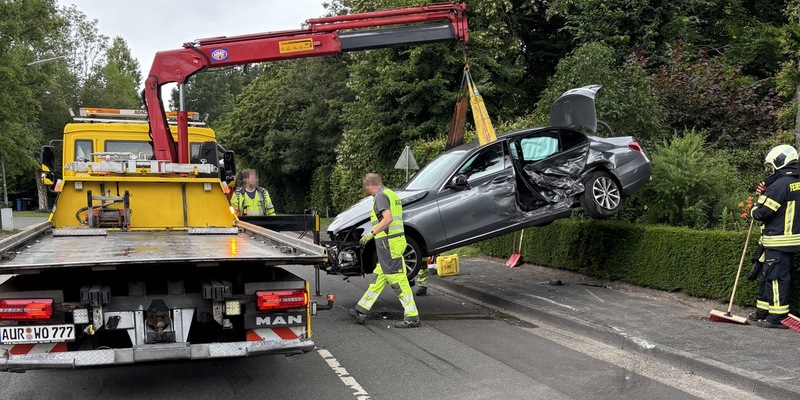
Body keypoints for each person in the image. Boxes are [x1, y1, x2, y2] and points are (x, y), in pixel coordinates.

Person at [349, 173, 421, 328]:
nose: (367, 190)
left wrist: (372, 233)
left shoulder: (381, 196)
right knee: (379, 277)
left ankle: (412, 316)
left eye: (367, 187)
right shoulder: (391, 194)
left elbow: (388, 219)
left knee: (398, 280)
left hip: (389, 244)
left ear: (372, 184)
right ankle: (361, 310)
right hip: (392, 242)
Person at [748, 144, 800, 329]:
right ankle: (762, 312)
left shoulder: (779, 185)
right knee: (767, 275)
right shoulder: (795, 181)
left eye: (772, 165)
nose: (771, 168)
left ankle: (777, 318)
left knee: (776, 278)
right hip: (789, 240)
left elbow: (763, 213)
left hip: (777, 239)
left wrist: (754, 208)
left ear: (779, 162)